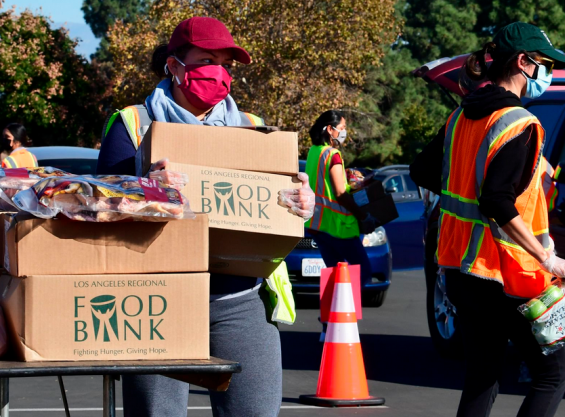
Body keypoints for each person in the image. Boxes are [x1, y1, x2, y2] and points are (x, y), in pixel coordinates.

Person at [97, 17, 314, 417]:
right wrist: (146, 190)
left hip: (239, 301)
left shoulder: (253, 130)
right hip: (156, 303)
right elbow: (98, 211)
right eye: (207, 59)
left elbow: (276, 210)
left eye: (226, 63)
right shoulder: (132, 125)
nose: (220, 73)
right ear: (174, 66)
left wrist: (301, 203)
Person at [410, 22, 565, 417]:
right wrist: (547, 258)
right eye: (544, 64)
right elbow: (497, 203)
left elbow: (423, 171)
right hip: (507, 275)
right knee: (551, 375)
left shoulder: (460, 118)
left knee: (482, 377)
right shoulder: (519, 123)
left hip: (458, 268)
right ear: (523, 62)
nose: (548, 73)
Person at [304, 111, 379, 337]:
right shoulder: (333, 154)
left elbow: (326, 186)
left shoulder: (314, 152)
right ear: (330, 129)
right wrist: (362, 215)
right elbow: (339, 193)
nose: (344, 132)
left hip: (318, 225)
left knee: (334, 273)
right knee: (361, 271)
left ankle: (328, 324)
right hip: (339, 226)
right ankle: (341, 317)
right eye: (342, 127)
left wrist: (350, 182)